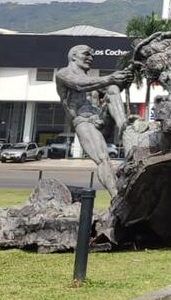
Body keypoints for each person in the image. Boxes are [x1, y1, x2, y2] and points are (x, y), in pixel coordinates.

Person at [56, 45, 135, 195]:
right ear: (73, 56)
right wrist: (111, 78)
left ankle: (124, 128)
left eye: (92, 56)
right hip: (84, 121)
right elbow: (79, 85)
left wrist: (124, 79)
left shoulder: (92, 80)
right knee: (102, 158)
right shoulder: (63, 73)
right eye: (86, 54)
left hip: (101, 117)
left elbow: (111, 88)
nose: (90, 58)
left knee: (112, 89)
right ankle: (115, 195)